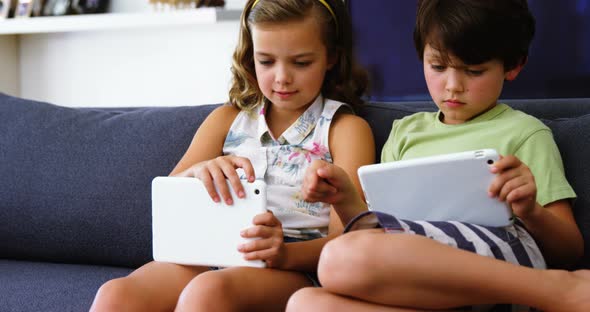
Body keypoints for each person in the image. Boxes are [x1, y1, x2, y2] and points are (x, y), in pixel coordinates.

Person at [287, 0, 590, 311]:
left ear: (512, 66)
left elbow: (568, 250)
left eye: (474, 71)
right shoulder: (405, 132)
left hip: (502, 262)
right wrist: (343, 197)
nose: (453, 86)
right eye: (438, 67)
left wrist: (530, 210)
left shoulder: (524, 132)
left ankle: (559, 291)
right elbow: (381, 233)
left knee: (340, 258)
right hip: (423, 276)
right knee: (305, 303)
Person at [90, 0, 374, 311]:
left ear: (331, 56)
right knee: (115, 295)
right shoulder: (226, 120)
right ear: (250, 56)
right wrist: (199, 172)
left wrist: (282, 254)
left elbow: (348, 239)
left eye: (301, 62)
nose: (282, 77)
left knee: (207, 292)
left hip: (296, 267)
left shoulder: (344, 129)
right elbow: (169, 203)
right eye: (266, 61)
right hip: (212, 256)